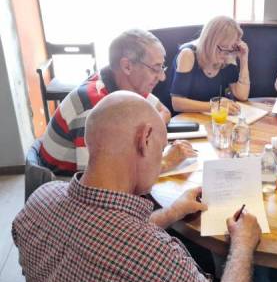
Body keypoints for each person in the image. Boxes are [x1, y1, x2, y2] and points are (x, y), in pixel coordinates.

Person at [13, 91, 262, 282]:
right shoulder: (154, 255)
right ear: (144, 140)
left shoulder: (40, 199)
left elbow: (103, 232)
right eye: (162, 147)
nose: (162, 156)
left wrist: (173, 211)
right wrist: (243, 243)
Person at [39, 29, 195, 177]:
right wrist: (164, 161)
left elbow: (163, 111)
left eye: (162, 67)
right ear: (127, 66)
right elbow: (98, 185)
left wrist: (145, 137)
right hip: (64, 187)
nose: (162, 77)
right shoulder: (93, 110)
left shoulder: (125, 84)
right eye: (155, 68)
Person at [170, 16, 250, 115]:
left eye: (231, 48)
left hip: (210, 119)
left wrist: (244, 59)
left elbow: (242, 96)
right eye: (224, 48)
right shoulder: (188, 55)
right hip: (184, 121)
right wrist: (214, 106)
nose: (227, 54)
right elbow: (177, 103)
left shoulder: (227, 55)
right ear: (210, 42)